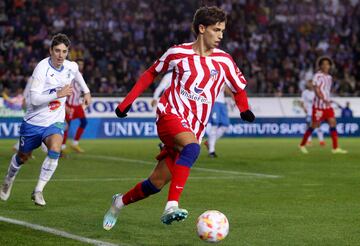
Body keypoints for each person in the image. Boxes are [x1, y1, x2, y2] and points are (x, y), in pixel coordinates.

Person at [103, 6, 255, 230]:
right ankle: (171, 206)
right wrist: (126, 103)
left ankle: (119, 202)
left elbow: (238, 88)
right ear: (202, 29)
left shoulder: (225, 61)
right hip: (169, 115)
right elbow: (150, 73)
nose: (221, 35)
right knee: (193, 148)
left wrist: (244, 109)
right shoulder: (178, 53)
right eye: (216, 30)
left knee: (155, 183)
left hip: (194, 127)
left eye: (223, 30)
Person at [0, 33, 92, 206]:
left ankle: (38, 190)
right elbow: (34, 100)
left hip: (54, 121)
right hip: (33, 122)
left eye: (64, 51)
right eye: (57, 51)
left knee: (56, 148)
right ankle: (8, 179)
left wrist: (86, 91)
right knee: (22, 157)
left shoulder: (70, 66)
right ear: (50, 51)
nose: (60, 55)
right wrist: (58, 94)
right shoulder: (42, 69)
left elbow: (77, 74)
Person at [299, 56, 347, 154]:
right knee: (314, 126)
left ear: (330, 66)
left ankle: (335, 148)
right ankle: (302, 144)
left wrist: (328, 99)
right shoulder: (317, 76)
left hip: (327, 106)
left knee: (333, 123)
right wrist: (323, 99)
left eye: (327, 64)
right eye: (323, 64)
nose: (326, 65)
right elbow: (316, 90)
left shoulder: (329, 77)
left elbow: (326, 90)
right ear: (320, 66)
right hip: (318, 107)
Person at [61, 59, 89, 155]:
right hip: (70, 105)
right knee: (66, 126)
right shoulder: (69, 75)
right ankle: (62, 147)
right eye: (79, 64)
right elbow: (64, 89)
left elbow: (79, 91)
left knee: (84, 122)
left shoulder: (80, 75)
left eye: (82, 64)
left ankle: (75, 143)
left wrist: (84, 99)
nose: (81, 66)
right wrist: (64, 105)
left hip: (78, 105)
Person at [204, 86, 232, 157]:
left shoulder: (223, 76)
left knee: (225, 125)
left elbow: (225, 88)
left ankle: (209, 142)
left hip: (222, 103)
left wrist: (232, 95)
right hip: (214, 102)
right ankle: (211, 151)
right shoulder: (209, 76)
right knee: (215, 124)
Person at [300, 80, 325, 146]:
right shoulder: (305, 92)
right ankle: (309, 141)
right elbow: (302, 102)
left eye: (310, 83)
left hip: (317, 111)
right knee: (309, 126)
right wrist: (304, 108)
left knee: (318, 125)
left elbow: (321, 99)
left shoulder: (316, 91)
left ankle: (321, 141)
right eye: (308, 83)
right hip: (309, 112)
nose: (309, 85)